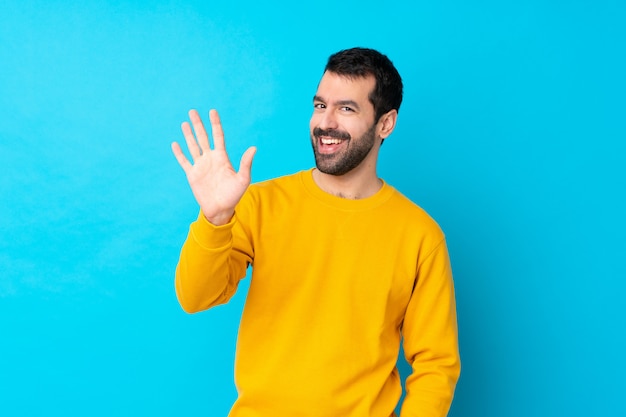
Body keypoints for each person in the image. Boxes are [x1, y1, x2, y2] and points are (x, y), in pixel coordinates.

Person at [171, 47, 460, 417]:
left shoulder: (420, 235)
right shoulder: (259, 204)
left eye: (347, 108)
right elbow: (195, 297)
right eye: (320, 105)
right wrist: (215, 219)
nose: (326, 122)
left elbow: (437, 365)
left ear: (385, 124)